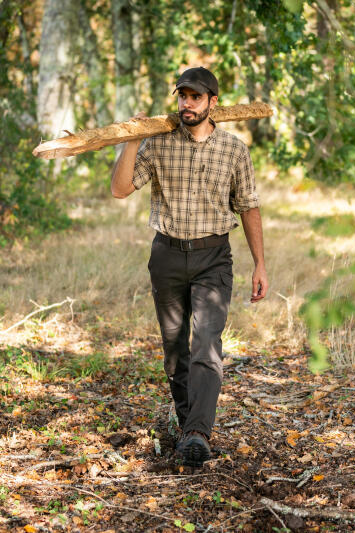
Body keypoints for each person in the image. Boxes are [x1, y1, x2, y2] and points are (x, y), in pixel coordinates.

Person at [110, 66, 268, 467]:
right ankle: (188, 430)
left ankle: (199, 432)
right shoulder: (160, 144)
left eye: (195, 97)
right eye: (182, 96)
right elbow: (120, 189)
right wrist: (132, 140)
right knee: (175, 353)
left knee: (207, 346)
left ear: (213, 102)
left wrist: (260, 264)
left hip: (214, 257)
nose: (186, 104)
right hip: (166, 256)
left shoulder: (234, 150)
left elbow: (248, 205)